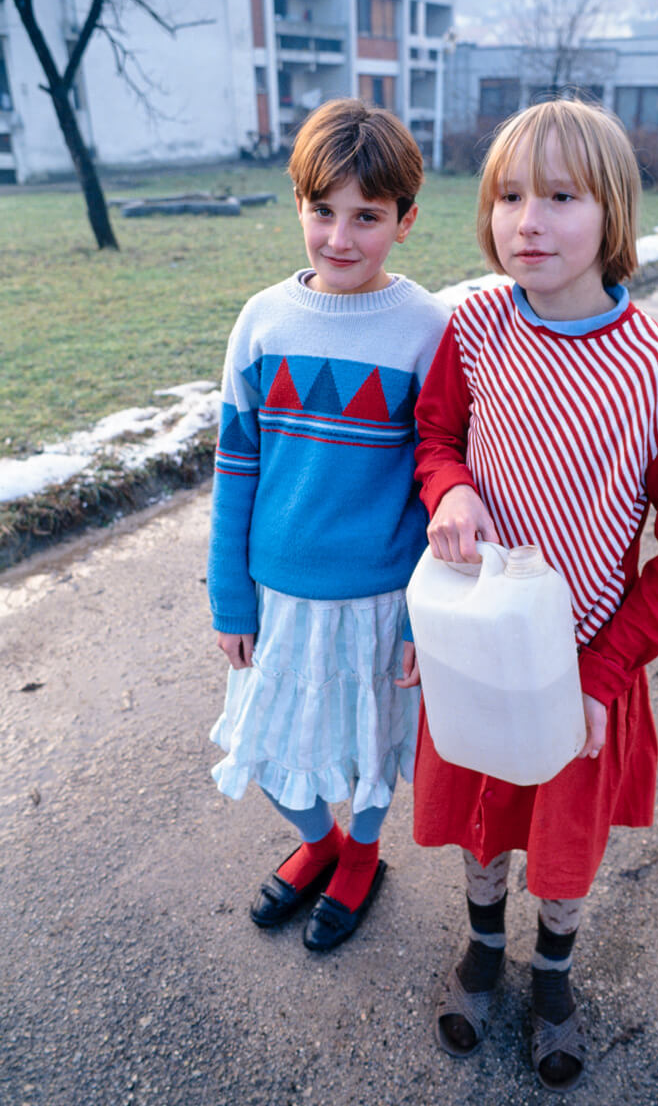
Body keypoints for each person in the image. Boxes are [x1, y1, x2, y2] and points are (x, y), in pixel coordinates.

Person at [411, 98, 658, 1090]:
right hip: (471, 645)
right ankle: (481, 948)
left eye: (557, 196)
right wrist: (449, 487)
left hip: (581, 662)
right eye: (506, 196)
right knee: (481, 814)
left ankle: (551, 974)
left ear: (613, 214)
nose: (524, 221)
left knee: (561, 837)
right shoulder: (475, 329)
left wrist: (603, 670)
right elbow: (435, 437)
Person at [207, 98, 447, 952]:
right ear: (299, 205)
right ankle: (323, 843)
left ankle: (363, 857)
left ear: (406, 221)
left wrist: (423, 615)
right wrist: (229, 596)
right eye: (322, 211)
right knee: (270, 751)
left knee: (375, 753)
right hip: (276, 596)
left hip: (382, 598)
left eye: (367, 217)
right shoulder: (262, 322)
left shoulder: (427, 330)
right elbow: (236, 467)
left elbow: (435, 482)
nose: (340, 238)